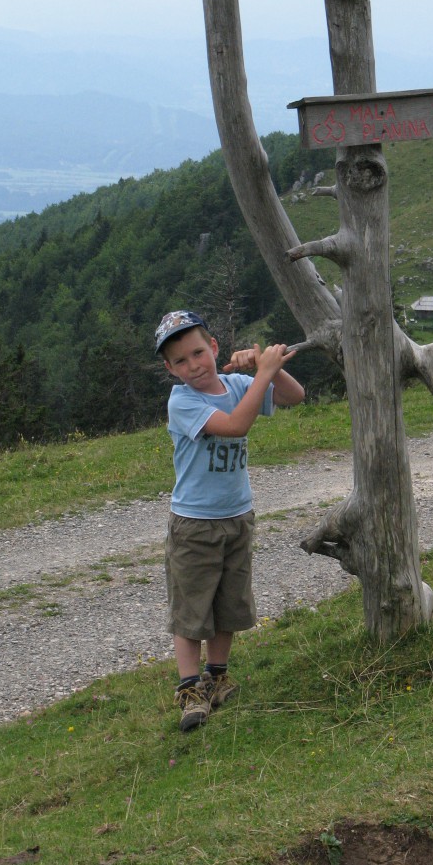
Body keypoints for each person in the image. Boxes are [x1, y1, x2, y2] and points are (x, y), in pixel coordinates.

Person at [154, 310, 305, 731]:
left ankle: (218, 678)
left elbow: (296, 396)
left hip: (238, 516)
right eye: (180, 361)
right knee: (191, 610)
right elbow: (237, 425)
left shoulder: (239, 384)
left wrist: (264, 370)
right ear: (170, 369)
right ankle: (189, 689)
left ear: (214, 348)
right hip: (194, 525)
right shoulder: (183, 401)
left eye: (198, 352)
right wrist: (263, 375)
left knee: (228, 604)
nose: (193, 365)